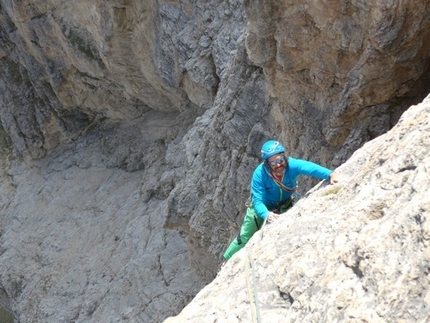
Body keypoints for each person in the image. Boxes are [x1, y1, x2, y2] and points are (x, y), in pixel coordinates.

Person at [222, 139, 340, 263]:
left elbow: (309, 167)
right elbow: (257, 201)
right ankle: (226, 260)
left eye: (280, 160)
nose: (278, 165)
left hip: (284, 204)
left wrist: (330, 174)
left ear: (285, 157)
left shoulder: (291, 165)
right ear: (267, 164)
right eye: (273, 163)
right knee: (245, 236)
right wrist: (266, 214)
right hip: (260, 209)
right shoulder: (260, 174)